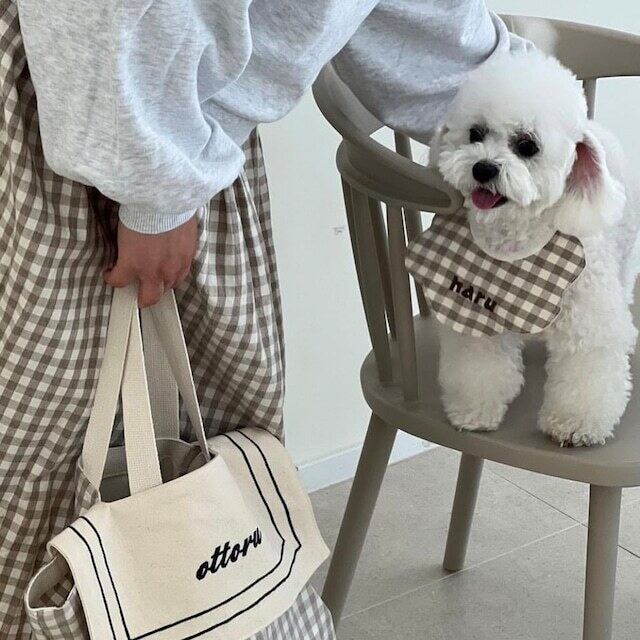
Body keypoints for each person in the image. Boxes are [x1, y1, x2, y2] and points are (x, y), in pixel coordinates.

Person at [0, 1, 527, 637]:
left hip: (177, 145)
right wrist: (154, 190)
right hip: (89, 122)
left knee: (212, 443)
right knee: (40, 459)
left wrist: (527, 105)